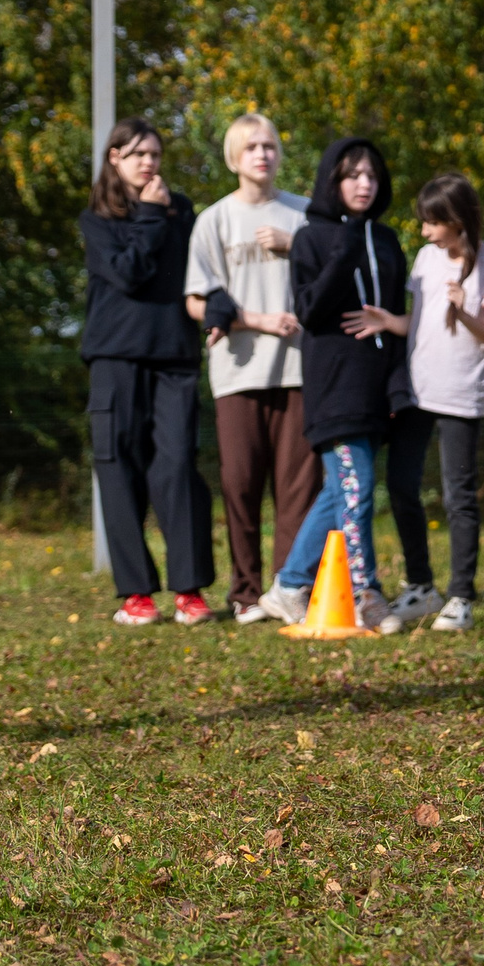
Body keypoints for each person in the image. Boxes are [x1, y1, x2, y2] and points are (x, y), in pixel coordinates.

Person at [347, 172, 484, 632]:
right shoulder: (425, 258)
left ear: (456, 220)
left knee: (457, 497)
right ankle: (422, 587)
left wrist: (463, 310)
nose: (424, 231)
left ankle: (461, 596)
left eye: (431, 222)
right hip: (416, 392)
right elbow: (419, 325)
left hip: (462, 395)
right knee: (402, 486)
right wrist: (390, 322)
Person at [270, 137, 409, 633]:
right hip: (334, 385)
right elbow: (309, 311)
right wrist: (344, 248)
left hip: (377, 388)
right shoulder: (310, 237)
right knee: (357, 488)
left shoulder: (389, 240)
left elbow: (398, 314)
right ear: (333, 180)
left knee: (343, 489)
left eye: (371, 175)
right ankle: (367, 593)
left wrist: (397, 385)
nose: (364, 184)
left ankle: (287, 585)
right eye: (352, 175)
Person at [81, 118, 216, 625]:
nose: (149, 163)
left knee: (178, 468)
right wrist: (151, 215)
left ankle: (190, 590)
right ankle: (136, 595)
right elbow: (129, 273)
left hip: (174, 357)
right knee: (119, 471)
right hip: (114, 358)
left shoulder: (180, 209)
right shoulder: (97, 218)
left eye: (156, 154)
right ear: (114, 157)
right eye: (138, 154)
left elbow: (198, 272)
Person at [183, 113, 314, 624]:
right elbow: (196, 301)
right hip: (237, 373)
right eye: (252, 146)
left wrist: (295, 246)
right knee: (240, 485)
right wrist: (257, 320)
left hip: (299, 370)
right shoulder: (213, 220)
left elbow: (330, 275)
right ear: (234, 157)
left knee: (296, 489)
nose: (263, 154)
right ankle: (244, 594)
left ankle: (287, 588)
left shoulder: (303, 215)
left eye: (270, 145)